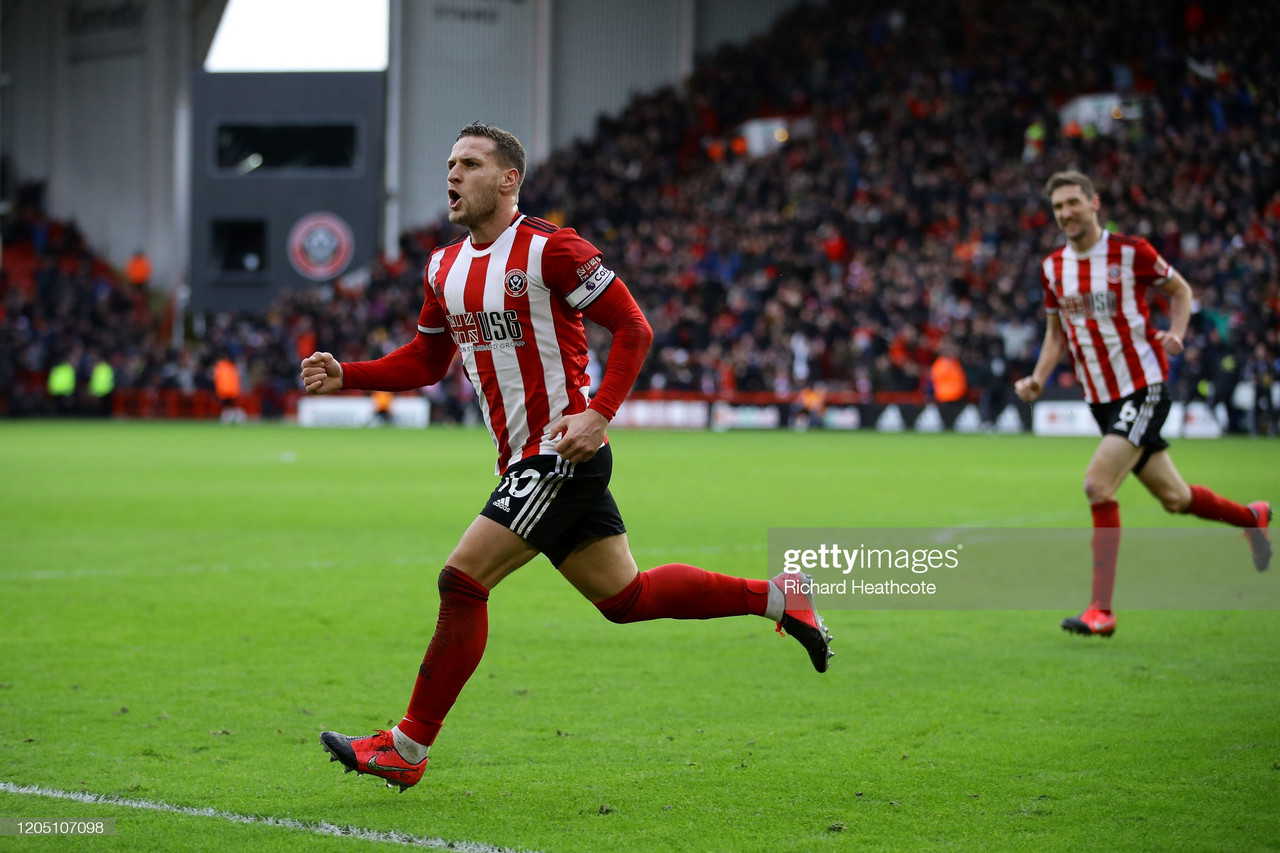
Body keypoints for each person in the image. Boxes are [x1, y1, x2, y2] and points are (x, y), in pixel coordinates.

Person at [300, 123, 832, 793]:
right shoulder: (443, 267)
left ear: (508, 179)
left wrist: (599, 412)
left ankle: (407, 746)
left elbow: (635, 328)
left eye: (469, 163)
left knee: (462, 580)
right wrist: (348, 373)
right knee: (626, 597)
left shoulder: (552, 250)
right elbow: (428, 360)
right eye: (449, 164)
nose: (453, 176)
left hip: (560, 454)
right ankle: (782, 598)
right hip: (525, 461)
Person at [1014, 171, 1271, 637]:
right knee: (1176, 499)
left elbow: (1182, 291)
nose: (1066, 213)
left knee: (1097, 485)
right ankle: (1253, 517)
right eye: (1058, 207)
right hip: (1100, 400)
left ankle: (1101, 611)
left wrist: (1178, 332)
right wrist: (1037, 379)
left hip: (1143, 385)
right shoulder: (1053, 268)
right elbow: (1057, 334)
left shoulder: (1130, 252)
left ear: (1095, 203)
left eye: (1073, 202)